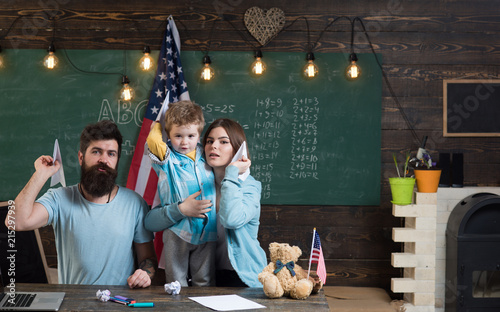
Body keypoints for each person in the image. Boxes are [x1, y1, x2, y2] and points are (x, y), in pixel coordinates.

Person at [7, 120, 156, 288]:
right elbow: (15, 221)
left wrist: (145, 273)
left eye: (111, 154)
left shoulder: (135, 203)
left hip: (120, 302)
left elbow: (147, 259)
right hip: (73, 302)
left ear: (117, 160)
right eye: (96, 152)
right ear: (81, 157)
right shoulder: (59, 198)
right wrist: (41, 174)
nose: (104, 160)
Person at [144, 100, 217, 287]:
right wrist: (158, 125)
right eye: (178, 135)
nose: (184, 142)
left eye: (191, 135)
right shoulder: (167, 158)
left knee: (205, 280)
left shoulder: (206, 155)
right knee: (177, 280)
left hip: (207, 229)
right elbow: (152, 140)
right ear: (168, 135)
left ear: (199, 135)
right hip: (177, 229)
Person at [202, 118, 267, 287]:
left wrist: (231, 173)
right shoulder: (197, 184)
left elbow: (232, 219)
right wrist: (179, 209)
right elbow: (152, 222)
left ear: (238, 150)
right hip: (203, 275)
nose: (214, 146)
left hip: (243, 277)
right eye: (209, 141)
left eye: (223, 142)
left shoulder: (250, 186)